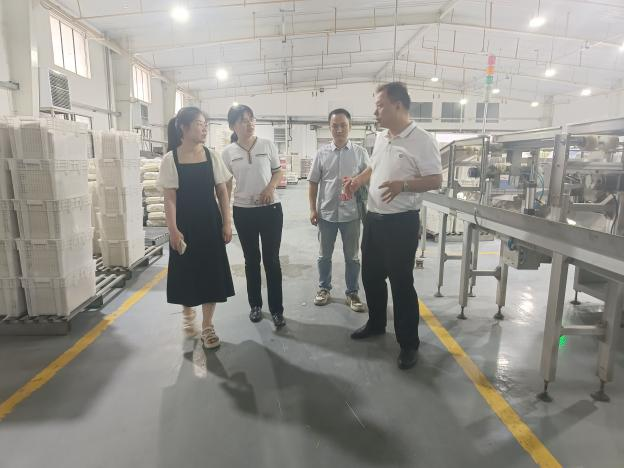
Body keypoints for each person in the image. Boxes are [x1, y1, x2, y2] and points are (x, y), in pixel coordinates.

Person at [344, 82, 442, 370]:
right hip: (374, 219)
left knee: (401, 284)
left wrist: (404, 185)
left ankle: (409, 343)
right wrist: (357, 181)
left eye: (380, 106)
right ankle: (376, 323)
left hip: (401, 222)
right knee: (371, 277)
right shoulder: (382, 137)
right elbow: (373, 167)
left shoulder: (422, 140)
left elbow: (436, 179)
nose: (375, 112)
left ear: (398, 105)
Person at [158, 106, 235, 349]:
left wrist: (227, 222)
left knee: (211, 273)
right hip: (185, 226)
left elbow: (222, 191)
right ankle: (187, 310)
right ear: (184, 127)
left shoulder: (212, 156)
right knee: (187, 272)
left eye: (205, 125)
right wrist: (173, 229)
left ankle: (208, 326)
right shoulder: (171, 159)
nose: (204, 129)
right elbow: (170, 198)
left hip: (210, 223)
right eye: (200, 124)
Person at [221, 104, 286, 329]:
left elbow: (278, 171)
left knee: (272, 260)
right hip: (243, 212)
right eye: (243, 120)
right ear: (233, 126)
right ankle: (255, 305)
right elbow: (226, 186)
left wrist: (270, 188)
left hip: (271, 210)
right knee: (251, 261)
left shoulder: (267, 145)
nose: (249, 124)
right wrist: (226, 218)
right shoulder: (228, 153)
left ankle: (277, 310)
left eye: (251, 119)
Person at [308, 108, 369, 312]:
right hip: (326, 214)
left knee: (352, 257)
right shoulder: (322, 153)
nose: (339, 129)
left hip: (351, 214)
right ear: (330, 128)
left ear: (350, 127)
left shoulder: (360, 153)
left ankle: (352, 292)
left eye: (343, 125)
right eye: (335, 126)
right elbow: (313, 183)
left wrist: (357, 181)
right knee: (324, 256)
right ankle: (324, 288)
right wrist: (313, 209)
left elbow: (369, 175)